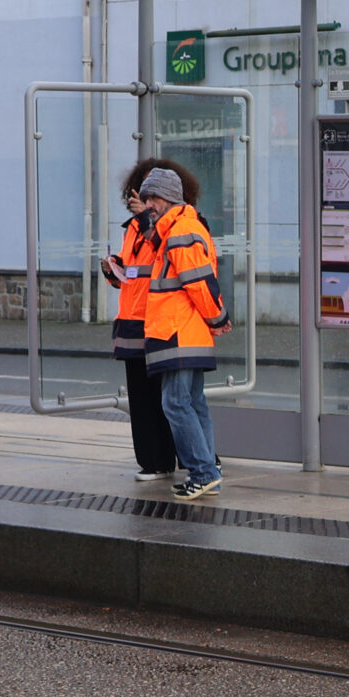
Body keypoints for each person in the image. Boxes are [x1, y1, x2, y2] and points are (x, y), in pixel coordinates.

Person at [133, 164, 229, 499]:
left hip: (178, 333)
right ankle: (208, 471)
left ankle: (202, 472)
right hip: (183, 332)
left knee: (175, 403)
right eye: (146, 198)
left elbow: (200, 283)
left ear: (170, 198)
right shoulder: (174, 230)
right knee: (192, 402)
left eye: (154, 198)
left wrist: (217, 317)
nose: (148, 205)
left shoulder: (181, 232)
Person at [102, 158, 197, 484]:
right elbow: (131, 272)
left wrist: (146, 222)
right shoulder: (132, 229)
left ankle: (192, 460)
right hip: (132, 318)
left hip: (161, 320)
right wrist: (112, 269)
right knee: (141, 398)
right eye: (140, 194)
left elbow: (168, 256)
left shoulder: (178, 225)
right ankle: (153, 462)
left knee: (170, 398)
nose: (142, 201)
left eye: (149, 196)